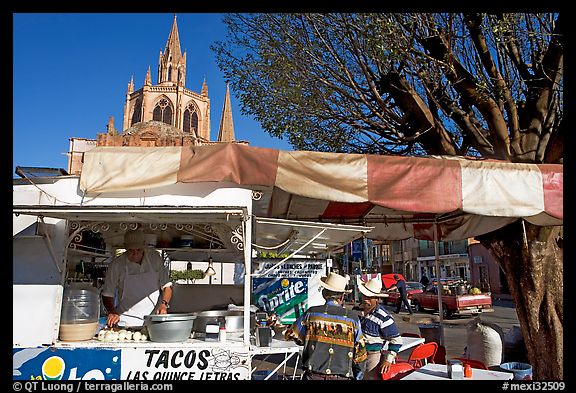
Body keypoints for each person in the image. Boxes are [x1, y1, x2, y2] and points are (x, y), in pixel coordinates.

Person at [284, 272, 367, 380]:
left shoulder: (311, 314)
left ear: (324, 294)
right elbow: (360, 355)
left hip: (313, 376)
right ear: (341, 297)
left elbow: (291, 335)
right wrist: (358, 376)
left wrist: (310, 338)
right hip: (341, 377)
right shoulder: (352, 319)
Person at [101, 230, 173, 327]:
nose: (135, 254)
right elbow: (107, 294)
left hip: (153, 319)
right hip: (126, 320)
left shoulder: (154, 258)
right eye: (131, 250)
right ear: (125, 247)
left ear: (144, 246)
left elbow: (167, 287)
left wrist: (164, 304)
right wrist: (112, 312)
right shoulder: (117, 265)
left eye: (138, 250)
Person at [358, 278, 403, 380]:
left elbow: (397, 340)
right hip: (355, 355)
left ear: (377, 299)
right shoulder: (356, 310)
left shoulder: (384, 317)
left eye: (370, 297)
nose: (366, 299)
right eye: (365, 296)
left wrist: (388, 359)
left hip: (372, 357)